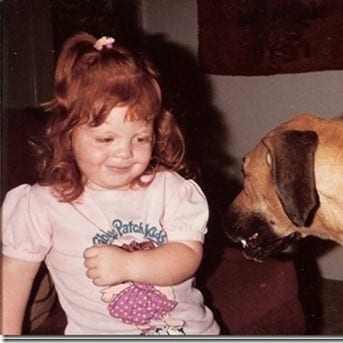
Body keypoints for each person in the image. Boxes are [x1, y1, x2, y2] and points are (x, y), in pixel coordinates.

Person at [2, 32, 220, 336]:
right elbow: (15, 277)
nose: (125, 152)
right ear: (66, 134)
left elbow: (187, 255)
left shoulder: (170, 189)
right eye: (106, 138)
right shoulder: (40, 205)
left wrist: (128, 267)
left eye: (141, 138)